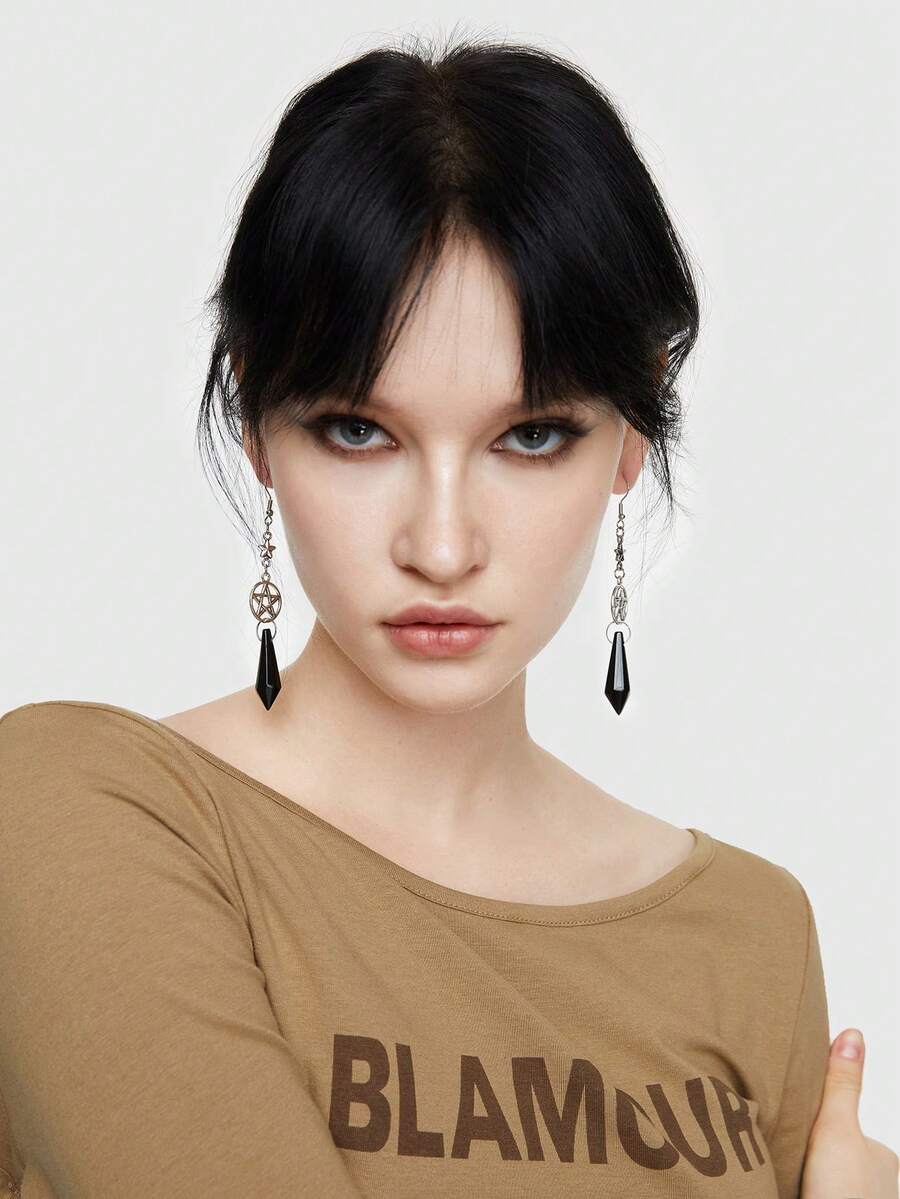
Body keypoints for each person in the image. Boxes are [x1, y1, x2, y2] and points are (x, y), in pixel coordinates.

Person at [0, 32, 895, 1199]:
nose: (440, 543)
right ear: (256, 423)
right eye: (358, 431)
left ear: (633, 433)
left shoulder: (750, 932)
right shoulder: (80, 813)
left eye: (532, 436)